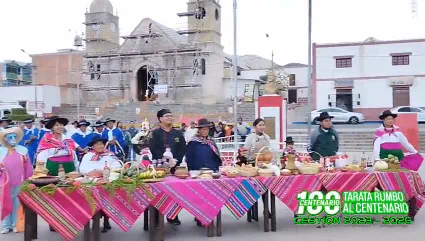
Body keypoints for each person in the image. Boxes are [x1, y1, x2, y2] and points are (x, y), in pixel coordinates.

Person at [149, 109, 186, 225]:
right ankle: (155, 219)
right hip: (158, 166)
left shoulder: (178, 133)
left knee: (174, 192)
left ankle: (173, 216)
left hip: (175, 167)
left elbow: (182, 148)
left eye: (171, 115)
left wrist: (176, 160)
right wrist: (164, 160)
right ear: (160, 119)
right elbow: (152, 148)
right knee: (157, 192)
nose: (170, 117)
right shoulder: (154, 133)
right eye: (167, 116)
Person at [79, 136, 122, 233]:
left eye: (102, 144)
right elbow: (82, 169)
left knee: (108, 199)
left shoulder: (110, 155)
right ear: (93, 146)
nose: (100, 146)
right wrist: (92, 172)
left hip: (106, 181)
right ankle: (94, 221)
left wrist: (103, 172)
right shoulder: (88, 156)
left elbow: (117, 166)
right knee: (90, 200)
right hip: (91, 182)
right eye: (97, 144)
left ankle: (107, 221)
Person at [0, 125, 33, 234]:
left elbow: (28, 167)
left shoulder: (23, 151)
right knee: (4, 203)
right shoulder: (1, 151)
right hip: (4, 183)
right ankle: (5, 225)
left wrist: (28, 180)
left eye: (14, 136)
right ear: (5, 139)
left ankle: (16, 224)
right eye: (10, 137)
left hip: (20, 181)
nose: (13, 139)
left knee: (17, 203)